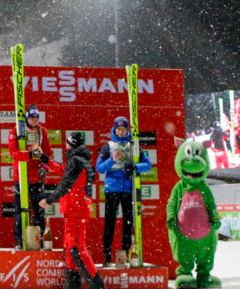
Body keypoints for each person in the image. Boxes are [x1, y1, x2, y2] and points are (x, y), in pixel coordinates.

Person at [39, 132, 105, 289]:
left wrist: (48, 200)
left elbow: (65, 185)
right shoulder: (79, 161)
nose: (65, 146)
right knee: (69, 249)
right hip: (75, 210)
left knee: (77, 248)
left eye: (67, 143)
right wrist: (45, 159)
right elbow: (63, 169)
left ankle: (97, 285)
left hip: (77, 210)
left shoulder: (76, 161)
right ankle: (73, 285)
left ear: (71, 144)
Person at [96, 116, 152, 267]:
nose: (121, 132)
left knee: (128, 222)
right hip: (112, 189)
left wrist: (135, 167)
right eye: (118, 129)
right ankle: (107, 254)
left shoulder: (133, 145)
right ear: (114, 130)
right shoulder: (108, 146)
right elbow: (99, 168)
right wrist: (112, 159)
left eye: (124, 129)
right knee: (110, 222)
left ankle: (125, 254)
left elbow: (148, 165)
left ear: (127, 130)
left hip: (128, 188)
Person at [8, 104, 53, 248]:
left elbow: (48, 154)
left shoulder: (42, 132)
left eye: (36, 118)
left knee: (39, 211)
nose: (34, 120)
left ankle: (37, 242)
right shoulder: (16, 131)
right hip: (21, 177)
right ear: (27, 118)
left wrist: (45, 168)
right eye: (32, 118)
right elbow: (13, 152)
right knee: (21, 211)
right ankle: (20, 242)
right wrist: (29, 155)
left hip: (36, 178)